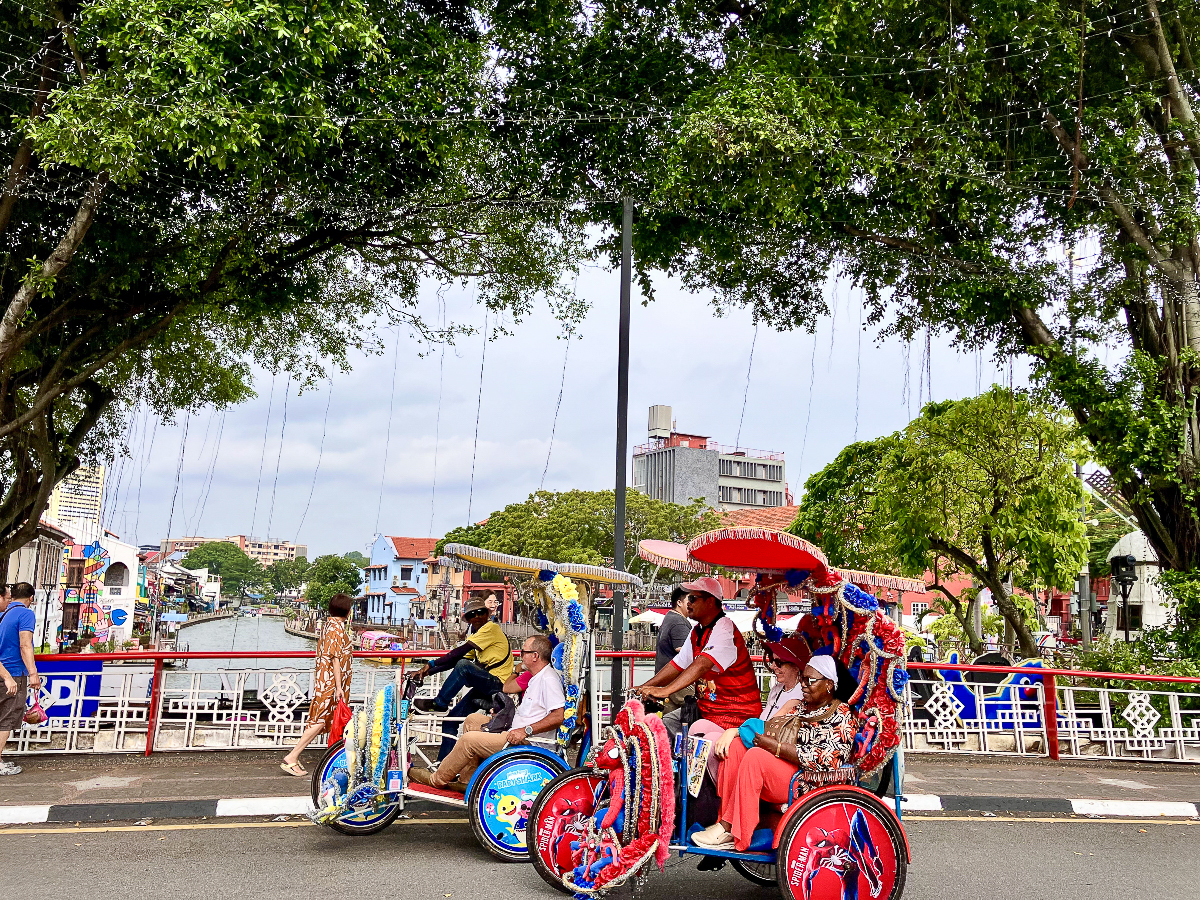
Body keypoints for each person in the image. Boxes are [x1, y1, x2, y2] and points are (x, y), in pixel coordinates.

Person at [692, 654, 856, 851]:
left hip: (807, 780)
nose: (803, 684)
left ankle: (735, 829)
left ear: (829, 684)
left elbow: (829, 759)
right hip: (787, 768)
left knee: (756, 757)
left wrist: (777, 748)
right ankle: (725, 824)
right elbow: (773, 729)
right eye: (802, 679)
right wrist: (743, 734)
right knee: (735, 747)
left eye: (809, 681)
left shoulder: (842, 715)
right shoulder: (801, 706)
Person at [409, 634, 564, 791]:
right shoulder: (534, 677)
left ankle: (437, 779)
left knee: (468, 741)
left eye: (523, 652)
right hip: (515, 731)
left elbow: (558, 716)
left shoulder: (548, 679)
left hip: (529, 741)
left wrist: (525, 730)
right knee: (472, 720)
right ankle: (466, 780)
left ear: (535, 656)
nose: (521, 656)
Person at [633, 576, 761, 739]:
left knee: (696, 738)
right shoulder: (697, 632)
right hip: (707, 711)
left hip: (735, 716)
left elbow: (702, 664)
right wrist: (643, 687)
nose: (689, 603)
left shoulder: (724, 627)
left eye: (693, 598)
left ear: (710, 602)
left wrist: (665, 690)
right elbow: (677, 664)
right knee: (662, 726)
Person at [688, 639, 807, 782]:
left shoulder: (799, 694)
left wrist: (735, 731)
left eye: (779, 662)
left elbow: (770, 728)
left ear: (795, 666)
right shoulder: (778, 688)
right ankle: (696, 786)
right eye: (771, 660)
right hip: (755, 735)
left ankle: (717, 793)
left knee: (712, 740)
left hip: (766, 745)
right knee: (699, 726)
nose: (773, 666)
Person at [414, 596, 514, 760]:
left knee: (463, 666)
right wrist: (425, 672)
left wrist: (430, 664)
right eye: (472, 615)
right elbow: (454, 660)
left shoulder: (491, 629)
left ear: (487, 614)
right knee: (450, 721)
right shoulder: (478, 635)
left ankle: (440, 703)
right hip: (485, 685)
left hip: (498, 684)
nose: (476, 617)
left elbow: (459, 655)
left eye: (480, 613)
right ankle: (443, 763)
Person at [281, 592, 354, 777]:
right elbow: (336, 659)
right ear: (346, 611)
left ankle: (339, 757)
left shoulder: (329, 626)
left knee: (323, 721)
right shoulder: (336, 629)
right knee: (320, 721)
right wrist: (339, 687)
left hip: (325, 680)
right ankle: (292, 756)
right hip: (331, 683)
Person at [0, 583, 40, 776]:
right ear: (30, 598)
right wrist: (33, 672)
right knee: (6, 719)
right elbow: (25, 644)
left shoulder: (3, 614)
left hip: (2, 671)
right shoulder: (26, 614)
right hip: (14, 672)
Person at [655, 586, 695, 713]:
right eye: (690, 599)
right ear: (679, 602)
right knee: (694, 709)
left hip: (667, 680)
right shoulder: (679, 623)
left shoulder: (669, 617)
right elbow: (684, 651)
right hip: (678, 681)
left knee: (669, 717)